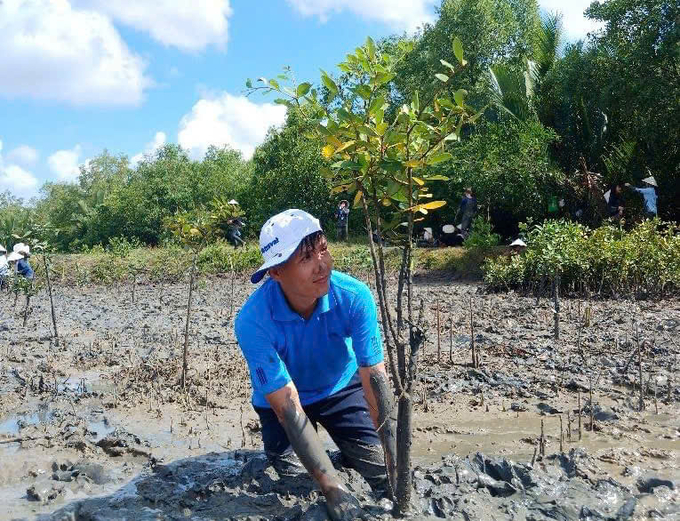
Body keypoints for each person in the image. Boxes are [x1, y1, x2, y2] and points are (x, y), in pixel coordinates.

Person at [234, 209, 396, 521]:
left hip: (338, 387)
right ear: (277, 272)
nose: (322, 265)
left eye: (323, 249)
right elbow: (286, 406)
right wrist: (332, 487)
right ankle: (325, 466)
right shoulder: (252, 320)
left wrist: (392, 460)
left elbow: (375, 379)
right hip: (282, 405)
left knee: (380, 472)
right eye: (307, 257)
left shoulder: (354, 296)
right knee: (296, 481)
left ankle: (351, 453)